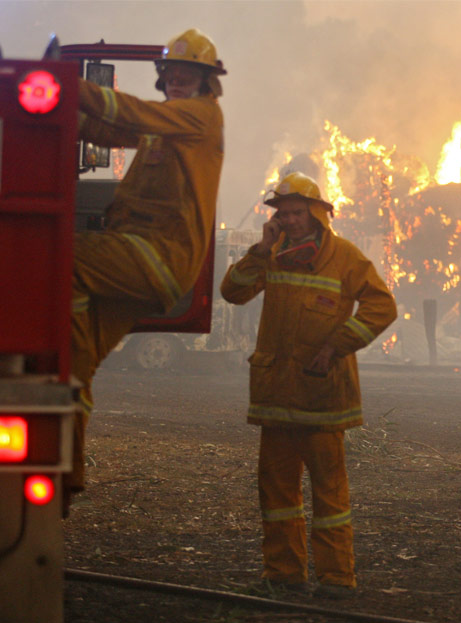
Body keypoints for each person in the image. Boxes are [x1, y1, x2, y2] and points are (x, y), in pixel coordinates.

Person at [68, 28, 226, 503]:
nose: (177, 79)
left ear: (206, 82)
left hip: (157, 256)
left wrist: (64, 82)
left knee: (64, 255)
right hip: (139, 258)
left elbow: (130, 111)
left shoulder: (200, 117)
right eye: (172, 72)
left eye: (188, 73)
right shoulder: (165, 128)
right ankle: (66, 480)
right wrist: (58, 113)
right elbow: (109, 129)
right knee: (73, 370)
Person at [220, 172, 397, 597]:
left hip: (322, 399)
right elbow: (232, 293)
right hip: (277, 398)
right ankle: (284, 573)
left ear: (318, 214)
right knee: (276, 491)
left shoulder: (345, 258)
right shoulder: (273, 254)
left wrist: (339, 344)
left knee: (329, 494)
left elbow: (381, 304)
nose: (291, 220)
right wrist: (260, 251)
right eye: (284, 214)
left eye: (298, 212)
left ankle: (337, 578)